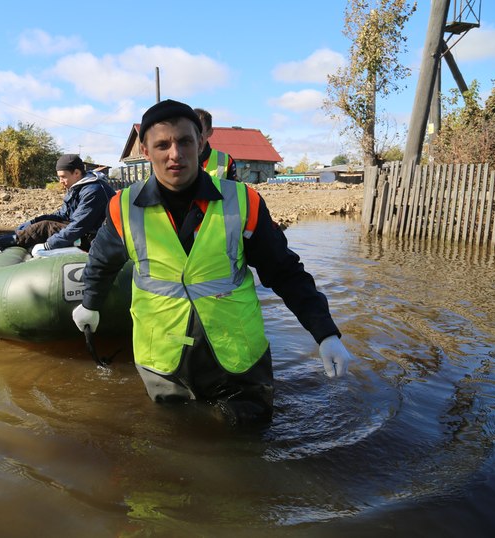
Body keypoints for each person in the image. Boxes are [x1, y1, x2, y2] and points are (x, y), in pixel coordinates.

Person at [71, 99, 352, 426]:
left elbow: (285, 271)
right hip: (162, 359)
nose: (175, 154)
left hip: (238, 358)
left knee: (250, 439)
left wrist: (324, 332)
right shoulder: (124, 208)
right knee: (174, 445)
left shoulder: (243, 202)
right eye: (162, 145)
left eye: (185, 141)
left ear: (201, 144)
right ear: (146, 151)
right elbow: (102, 262)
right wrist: (89, 302)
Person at [0, 154, 116, 256]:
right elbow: (62, 215)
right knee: (42, 222)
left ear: (77, 173)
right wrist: (33, 221)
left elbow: (77, 226)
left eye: (63, 177)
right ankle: (1, 239)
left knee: (45, 227)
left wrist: (49, 245)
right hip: (84, 230)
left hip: (94, 238)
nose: (60, 181)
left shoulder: (93, 191)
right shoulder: (76, 187)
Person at [194, 108, 237, 180]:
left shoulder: (225, 161)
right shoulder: (176, 157)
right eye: (190, 129)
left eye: (198, 129)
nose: (193, 134)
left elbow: (232, 189)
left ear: (210, 132)